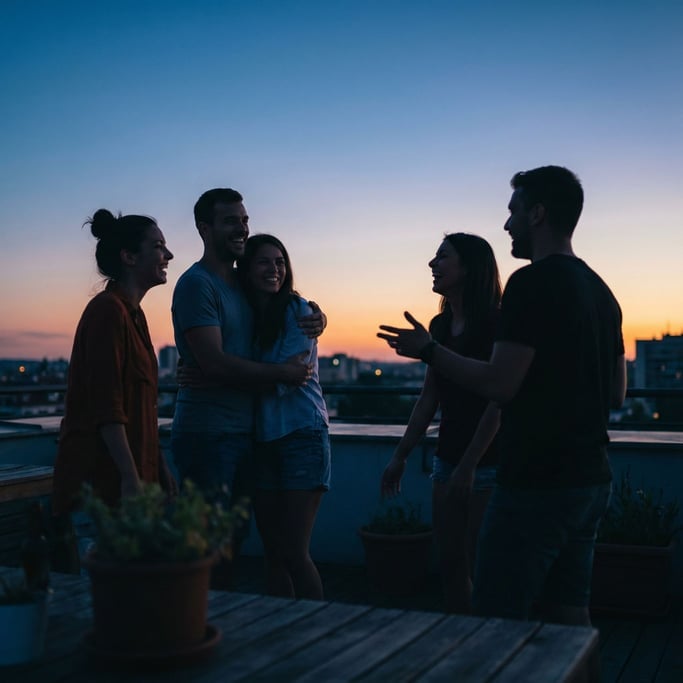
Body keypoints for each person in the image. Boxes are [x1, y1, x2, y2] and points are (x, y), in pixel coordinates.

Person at [378, 166, 626, 627]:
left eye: (513, 212)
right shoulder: (601, 292)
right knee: (569, 617)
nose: (507, 224)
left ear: (537, 214)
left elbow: (499, 385)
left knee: (496, 620)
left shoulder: (530, 283)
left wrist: (429, 351)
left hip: (537, 482)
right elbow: (616, 393)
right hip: (590, 478)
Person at [170, 188, 325, 585]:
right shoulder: (197, 284)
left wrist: (317, 317)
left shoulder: (241, 286)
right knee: (209, 549)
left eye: (244, 220)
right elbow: (216, 362)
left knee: (233, 546)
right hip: (208, 434)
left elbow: (281, 313)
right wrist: (278, 374)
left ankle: (224, 633)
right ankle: (195, 633)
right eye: (229, 221)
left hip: (246, 434)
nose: (241, 228)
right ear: (204, 229)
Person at [381, 233, 501, 613]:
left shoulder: (496, 323)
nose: (432, 264)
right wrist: (401, 455)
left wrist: (469, 467)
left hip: (490, 464)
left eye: (442, 257)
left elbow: (498, 401)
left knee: (484, 567)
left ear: (470, 267)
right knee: (451, 564)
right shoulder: (441, 324)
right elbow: (430, 394)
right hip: (446, 460)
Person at [52, 209, 177, 559]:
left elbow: (141, 407)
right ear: (129, 257)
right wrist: (131, 479)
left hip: (131, 484)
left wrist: (159, 467)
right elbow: (108, 408)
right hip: (104, 489)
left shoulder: (133, 315)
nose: (168, 255)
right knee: (102, 602)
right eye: (158, 246)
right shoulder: (108, 312)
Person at [235, 233, 330, 600]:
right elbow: (271, 374)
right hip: (262, 441)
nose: (275, 269)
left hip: (301, 437)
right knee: (272, 555)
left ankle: (317, 630)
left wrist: (222, 373)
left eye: (280, 262)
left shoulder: (299, 311)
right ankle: (281, 634)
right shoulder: (244, 314)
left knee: (294, 552)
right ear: (245, 268)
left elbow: (290, 376)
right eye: (264, 261)